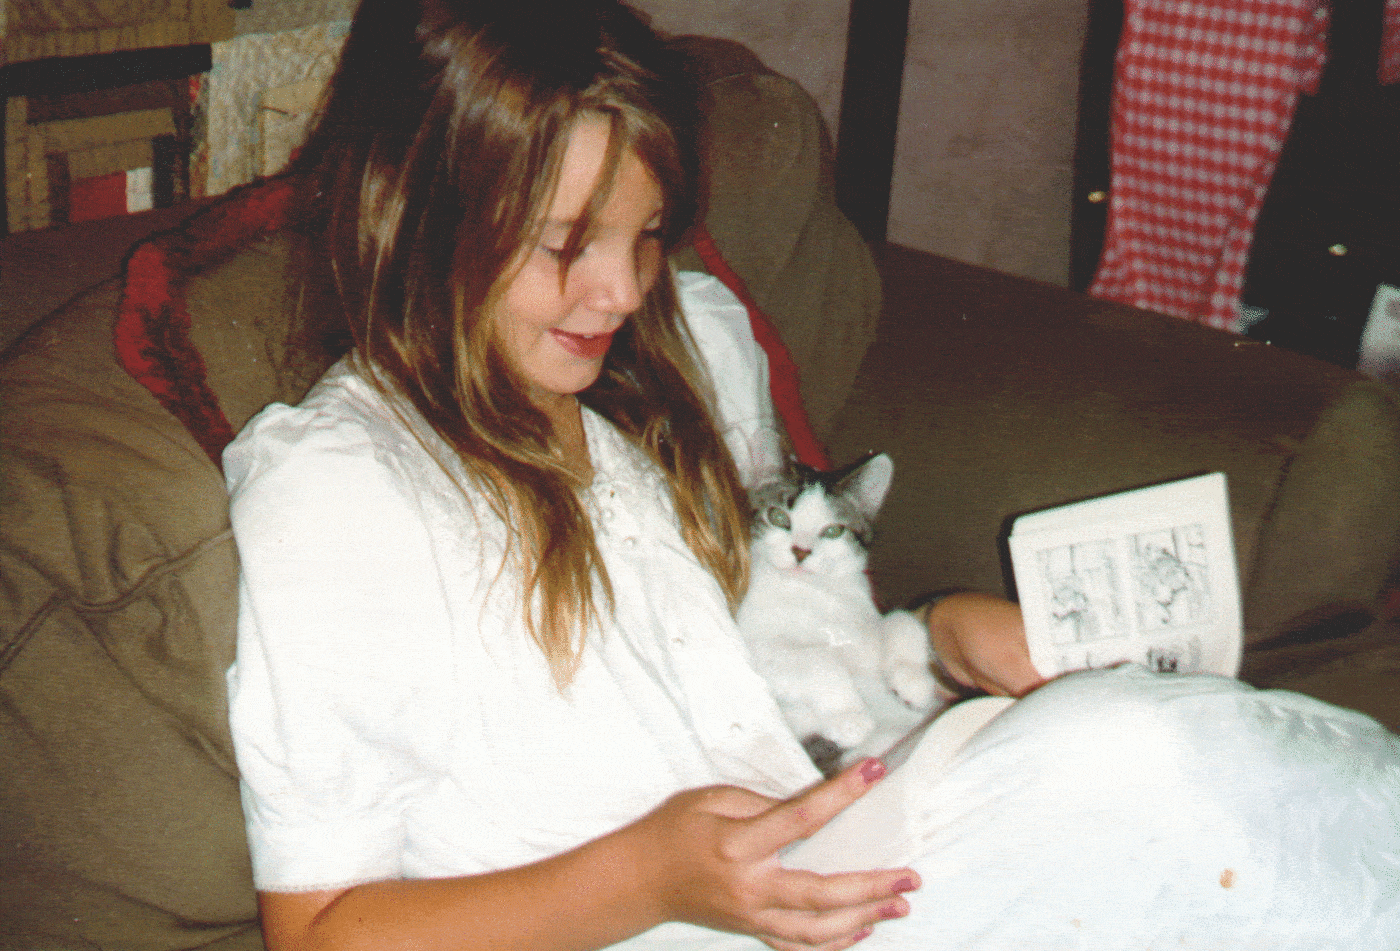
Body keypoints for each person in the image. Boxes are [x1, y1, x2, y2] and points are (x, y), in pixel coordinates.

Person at [225, 2, 1400, 950]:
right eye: (564, 243)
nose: (624, 293)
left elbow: (749, 673)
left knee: (1156, 756)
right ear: (413, 211)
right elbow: (320, 927)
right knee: (1153, 770)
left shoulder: (634, 389)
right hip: (670, 919)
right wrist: (651, 876)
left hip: (828, 861)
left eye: (643, 237)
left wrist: (933, 637)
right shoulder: (339, 489)